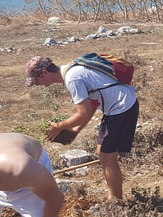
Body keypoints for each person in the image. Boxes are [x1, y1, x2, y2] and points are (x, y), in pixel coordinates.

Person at [25, 55, 139, 200]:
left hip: (122, 107)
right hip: (116, 108)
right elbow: (92, 105)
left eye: (37, 80)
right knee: (103, 153)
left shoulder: (72, 78)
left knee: (107, 156)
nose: (37, 84)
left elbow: (83, 114)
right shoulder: (72, 71)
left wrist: (59, 127)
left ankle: (116, 201)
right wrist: (75, 130)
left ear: (44, 73)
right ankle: (114, 196)